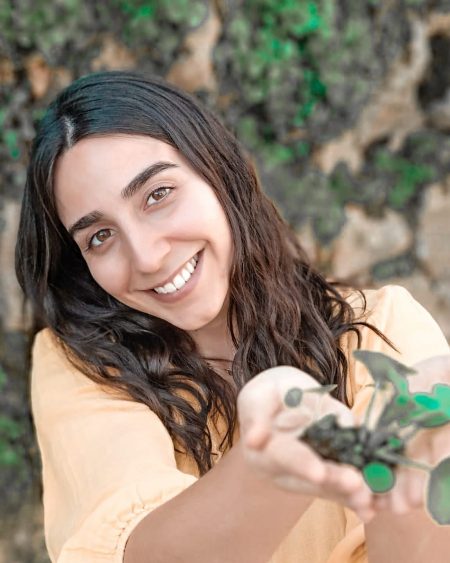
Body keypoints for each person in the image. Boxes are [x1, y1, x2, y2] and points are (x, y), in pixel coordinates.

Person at [15, 71, 450, 563]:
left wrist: (409, 482)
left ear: (219, 172)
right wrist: (269, 464)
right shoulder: (84, 366)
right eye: (100, 237)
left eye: (157, 194)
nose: (148, 256)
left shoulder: (382, 328)